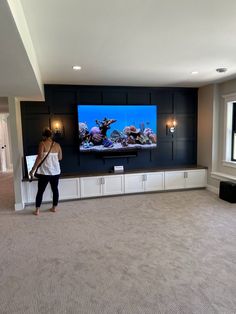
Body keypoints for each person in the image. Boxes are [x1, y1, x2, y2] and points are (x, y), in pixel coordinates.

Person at [29, 127, 62, 215]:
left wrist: (33, 169)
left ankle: (37, 210)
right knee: (55, 189)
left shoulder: (42, 144)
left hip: (45, 172)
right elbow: (60, 158)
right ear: (51, 135)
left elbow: (39, 158)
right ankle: (54, 208)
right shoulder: (57, 145)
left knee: (40, 191)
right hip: (56, 171)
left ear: (43, 135)